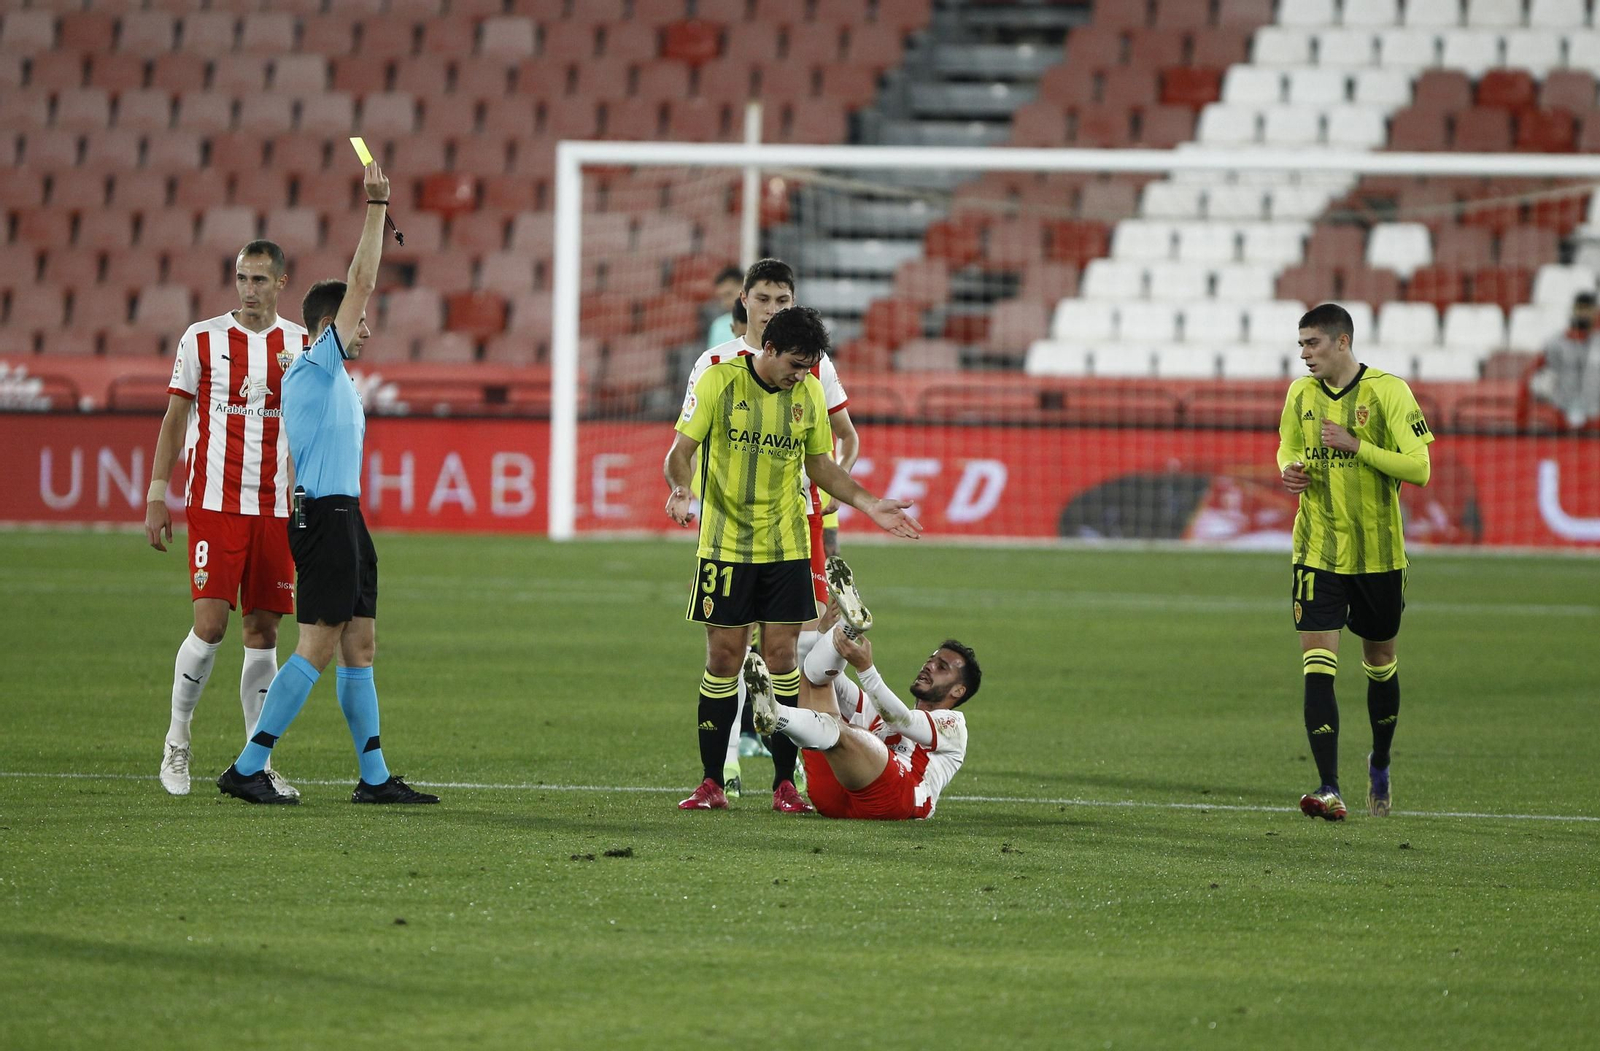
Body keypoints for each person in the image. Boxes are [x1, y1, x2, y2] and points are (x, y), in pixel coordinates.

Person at [217, 162, 437, 806]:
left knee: (359, 645)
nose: (366, 328)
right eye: (357, 321)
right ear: (331, 324)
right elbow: (362, 281)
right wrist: (377, 207)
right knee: (315, 646)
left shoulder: (330, 377)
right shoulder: (315, 364)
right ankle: (248, 766)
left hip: (345, 517)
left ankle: (374, 778)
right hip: (327, 519)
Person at [664, 305, 918, 813]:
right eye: (795, 364)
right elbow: (680, 452)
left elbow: (821, 465)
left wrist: (869, 504)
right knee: (723, 660)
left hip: (786, 548)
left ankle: (785, 783)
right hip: (724, 547)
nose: (801, 375)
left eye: (809, 367)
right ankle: (712, 782)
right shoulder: (719, 381)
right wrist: (680, 488)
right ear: (770, 348)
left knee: (783, 661)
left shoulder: (808, 394)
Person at [679, 258, 862, 795]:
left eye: (782, 300)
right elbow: (687, 444)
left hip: (798, 522)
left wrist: (829, 493)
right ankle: (727, 765)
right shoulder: (714, 365)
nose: (770, 309)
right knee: (728, 651)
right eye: (762, 298)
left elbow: (844, 440)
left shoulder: (814, 365)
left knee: (794, 648)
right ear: (744, 300)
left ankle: (791, 771)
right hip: (729, 527)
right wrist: (688, 492)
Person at [145, 239, 308, 798]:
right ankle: (177, 738)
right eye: (242, 278)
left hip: (275, 507)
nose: (248, 289)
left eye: (259, 279)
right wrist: (157, 494)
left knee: (263, 632)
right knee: (211, 624)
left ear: (281, 283)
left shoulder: (299, 345)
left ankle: (256, 760)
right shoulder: (202, 338)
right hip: (214, 504)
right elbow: (174, 419)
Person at [1278, 303, 1434, 821]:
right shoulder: (1300, 394)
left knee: (1380, 664)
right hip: (1317, 549)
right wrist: (1289, 469)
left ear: (1342, 341)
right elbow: (1286, 446)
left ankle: (1381, 761)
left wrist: (1356, 445)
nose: (1305, 354)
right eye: (1301, 344)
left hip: (1378, 556)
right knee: (1317, 667)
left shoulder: (1389, 392)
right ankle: (1329, 787)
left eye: (1313, 343)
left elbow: (1420, 469)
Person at [746, 574, 980, 821]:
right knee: (815, 681)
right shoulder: (879, 713)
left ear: (958, 690)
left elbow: (903, 721)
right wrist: (826, 636)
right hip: (835, 798)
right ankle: (849, 626)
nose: (929, 666)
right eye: (930, 660)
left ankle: (778, 715)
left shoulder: (954, 726)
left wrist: (866, 669)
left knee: (842, 731)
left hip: (898, 800)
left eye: (941, 667)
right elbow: (827, 677)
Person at [1529, 292, 1600, 429]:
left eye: (1588, 309)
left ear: (1595, 312)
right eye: (1580, 308)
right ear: (1573, 310)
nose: (1583, 314)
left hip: (1594, 415)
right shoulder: (1555, 343)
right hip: (1561, 413)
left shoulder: (1597, 343)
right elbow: (1533, 375)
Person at [703, 264, 744, 348]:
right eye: (721, 298)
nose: (726, 302)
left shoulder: (763, 319)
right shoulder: (718, 326)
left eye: (729, 294)